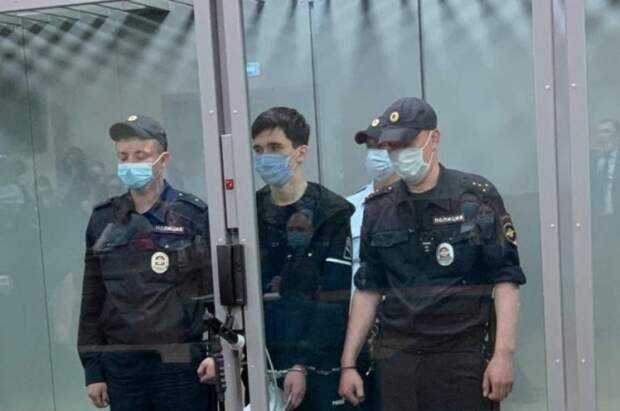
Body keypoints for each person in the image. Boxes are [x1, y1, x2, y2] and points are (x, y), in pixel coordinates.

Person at [338, 97, 527, 411]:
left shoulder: (473, 198)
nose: (398, 154)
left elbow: (505, 280)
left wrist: (503, 355)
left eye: (406, 144)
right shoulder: (379, 209)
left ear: (433, 138)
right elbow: (368, 288)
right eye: (390, 147)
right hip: (397, 357)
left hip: (460, 355)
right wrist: (348, 363)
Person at [77, 114, 216, 411]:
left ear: (163, 160)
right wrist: (93, 369)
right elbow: (92, 298)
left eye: (141, 156)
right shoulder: (104, 220)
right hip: (123, 365)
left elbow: (212, 292)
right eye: (123, 157)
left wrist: (216, 354)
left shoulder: (191, 216)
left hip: (181, 363)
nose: (130, 164)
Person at [252, 107, 355, 410]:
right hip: (263, 358)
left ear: (301, 152)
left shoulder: (332, 212)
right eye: (258, 149)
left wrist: (301, 364)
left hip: (319, 360)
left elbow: (333, 297)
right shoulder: (249, 212)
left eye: (275, 147)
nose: (265, 157)